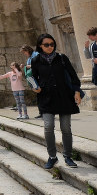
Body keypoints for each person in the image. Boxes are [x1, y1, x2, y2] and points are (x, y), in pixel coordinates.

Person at [30, 33, 82, 169]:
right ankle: (52, 156)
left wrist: (77, 91)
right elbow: (32, 78)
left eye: (52, 44)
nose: (50, 47)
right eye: (46, 45)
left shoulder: (62, 58)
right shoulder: (35, 61)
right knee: (48, 126)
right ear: (40, 46)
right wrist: (35, 87)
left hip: (64, 96)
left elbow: (73, 76)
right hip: (46, 97)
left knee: (66, 128)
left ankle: (68, 156)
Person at [21, 44, 42, 118]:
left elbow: (39, 64)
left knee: (42, 95)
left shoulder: (36, 54)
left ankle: (46, 112)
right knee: (39, 95)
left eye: (24, 52)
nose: (25, 54)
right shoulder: (29, 58)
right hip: (34, 78)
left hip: (40, 77)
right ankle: (42, 112)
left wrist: (27, 66)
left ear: (28, 50)